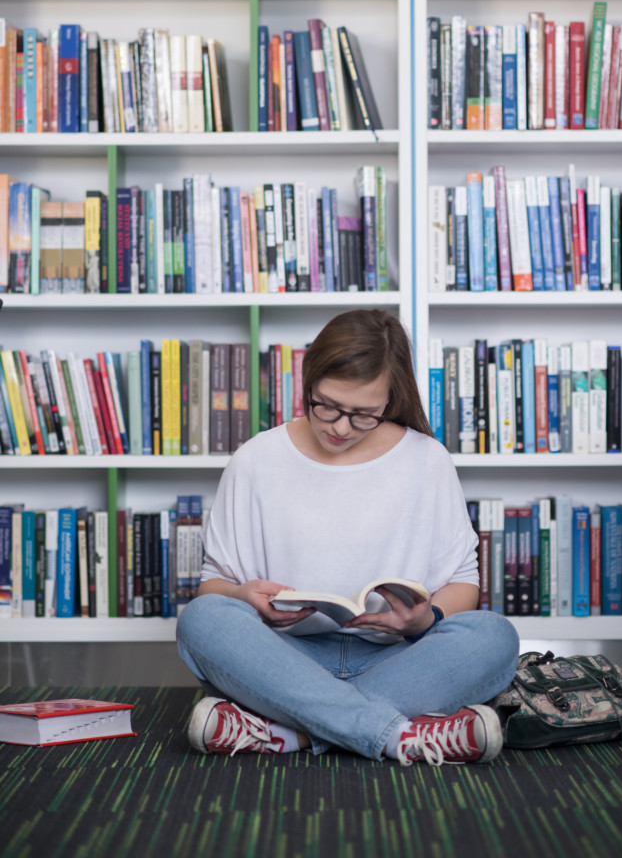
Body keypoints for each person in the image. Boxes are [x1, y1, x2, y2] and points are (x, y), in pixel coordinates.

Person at [176, 309, 519, 766]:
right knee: (203, 619)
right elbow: (215, 584)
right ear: (309, 380)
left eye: (363, 416)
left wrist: (424, 619)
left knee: (493, 636)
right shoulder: (255, 459)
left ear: (390, 399)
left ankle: (288, 732)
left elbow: (462, 581)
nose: (339, 427)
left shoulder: (427, 460)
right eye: (328, 406)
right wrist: (243, 595)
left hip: (397, 659)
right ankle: (399, 735)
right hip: (282, 662)